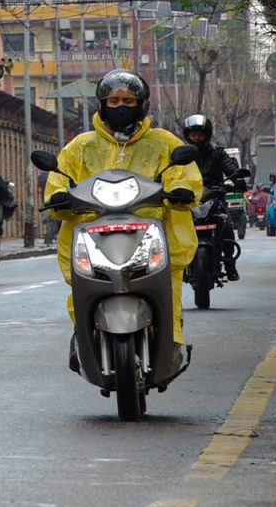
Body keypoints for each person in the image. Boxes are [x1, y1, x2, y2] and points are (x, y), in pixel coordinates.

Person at [44, 69, 202, 371]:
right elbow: (58, 183)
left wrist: (183, 191)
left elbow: (186, 177)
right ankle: (83, 336)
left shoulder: (164, 143)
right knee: (83, 291)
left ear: (142, 104)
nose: (121, 106)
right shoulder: (80, 147)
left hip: (152, 234)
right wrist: (59, 197)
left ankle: (170, 344)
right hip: (94, 236)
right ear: (101, 105)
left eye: (128, 100)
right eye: (113, 100)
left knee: (169, 293)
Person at [182, 114, 244, 281]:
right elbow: (170, 171)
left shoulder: (218, 153)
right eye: (193, 135)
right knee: (175, 228)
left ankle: (230, 263)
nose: (197, 138)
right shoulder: (181, 155)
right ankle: (178, 265)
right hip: (188, 200)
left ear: (207, 134)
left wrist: (237, 179)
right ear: (187, 136)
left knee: (227, 228)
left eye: (200, 134)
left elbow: (229, 167)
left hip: (215, 198)